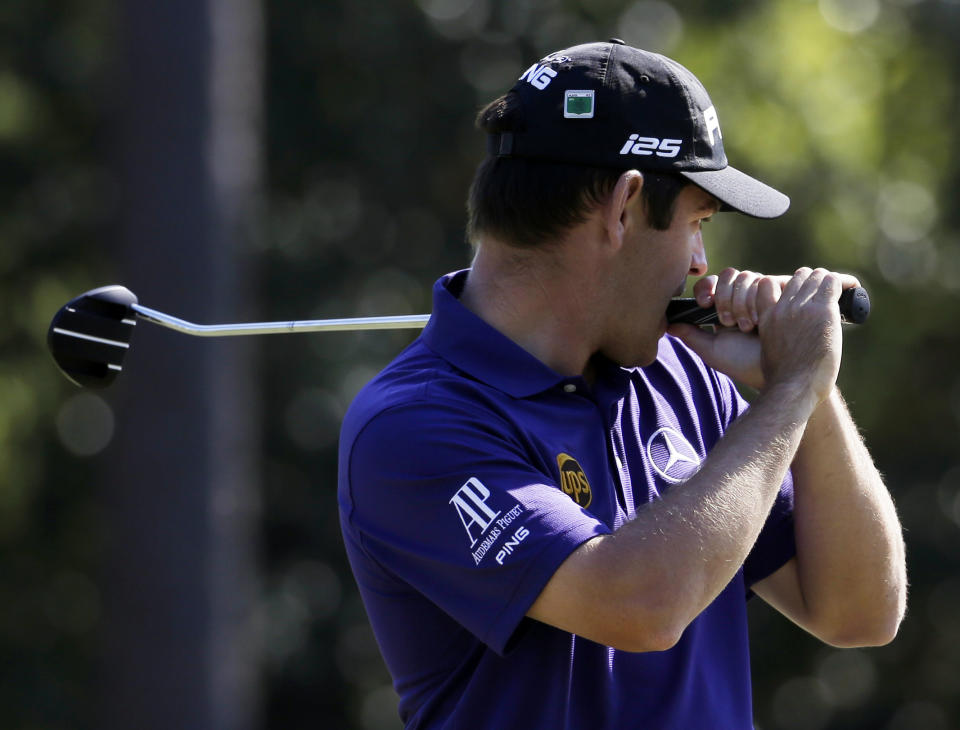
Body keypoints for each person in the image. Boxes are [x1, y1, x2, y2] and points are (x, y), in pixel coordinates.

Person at [337, 39, 906, 729]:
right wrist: (789, 394)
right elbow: (639, 605)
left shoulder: (688, 375)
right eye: (697, 224)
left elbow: (860, 611)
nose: (702, 263)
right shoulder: (413, 425)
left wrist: (807, 395)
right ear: (626, 205)